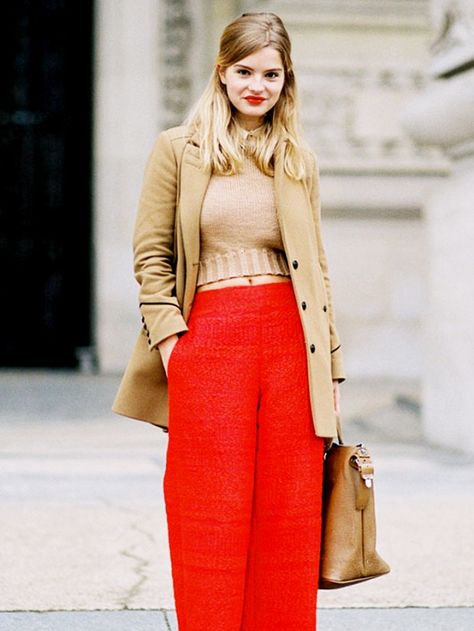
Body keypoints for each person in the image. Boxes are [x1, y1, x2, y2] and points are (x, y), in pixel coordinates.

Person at [113, 11, 346, 631]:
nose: (257, 86)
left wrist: (332, 372)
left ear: (286, 81)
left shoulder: (297, 158)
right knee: (207, 511)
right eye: (244, 71)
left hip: (292, 344)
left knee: (289, 516)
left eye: (271, 74)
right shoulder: (178, 150)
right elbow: (150, 254)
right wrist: (172, 345)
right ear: (221, 73)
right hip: (209, 341)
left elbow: (316, 267)